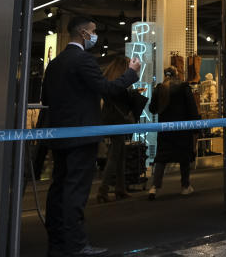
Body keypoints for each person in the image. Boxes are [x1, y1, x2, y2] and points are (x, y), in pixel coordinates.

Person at [41, 16, 140, 257]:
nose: (96, 36)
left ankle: (57, 241)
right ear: (84, 34)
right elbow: (107, 89)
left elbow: (46, 99)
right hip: (82, 135)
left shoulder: (55, 64)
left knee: (59, 188)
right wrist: (131, 73)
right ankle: (76, 244)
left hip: (60, 135)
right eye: (93, 31)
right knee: (75, 191)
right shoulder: (83, 60)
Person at [147, 66, 200, 200]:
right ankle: (185, 186)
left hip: (165, 129)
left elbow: (152, 108)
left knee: (161, 158)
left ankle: (154, 187)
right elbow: (192, 108)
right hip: (183, 128)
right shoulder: (184, 87)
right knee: (184, 157)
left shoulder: (160, 88)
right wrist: (196, 128)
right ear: (177, 74)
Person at [96, 56, 139, 202]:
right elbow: (124, 101)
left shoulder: (108, 79)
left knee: (120, 153)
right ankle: (103, 190)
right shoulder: (120, 84)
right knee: (115, 156)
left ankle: (120, 188)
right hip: (118, 120)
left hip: (109, 119)